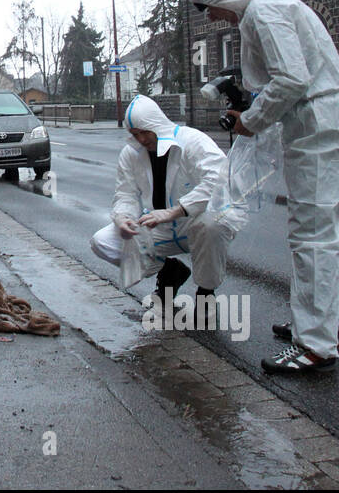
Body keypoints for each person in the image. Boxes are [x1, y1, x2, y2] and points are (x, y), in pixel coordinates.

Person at [186, 0, 339, 374]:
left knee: (312, 237)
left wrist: (253, 119)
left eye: (208, 7)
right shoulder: (270, 4)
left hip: (318, 130)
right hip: (326, 123)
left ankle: (315, 346)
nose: (211, 17)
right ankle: (324, 325)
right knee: (327, 232)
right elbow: (291, 77)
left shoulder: (263, 11)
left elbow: (291, 80)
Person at [90, 94, 234, 326]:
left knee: (212, 225)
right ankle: (171, 271)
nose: (141, 139)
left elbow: (221, 180)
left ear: (156, 124)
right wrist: (123, 218)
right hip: (158, 226)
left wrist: (176, 210)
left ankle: (206, 292)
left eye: (145, 132)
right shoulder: (131, 153)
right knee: (102, 241)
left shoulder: (192, 141)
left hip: (193, 223)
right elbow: (125, 193)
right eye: (135, 134)